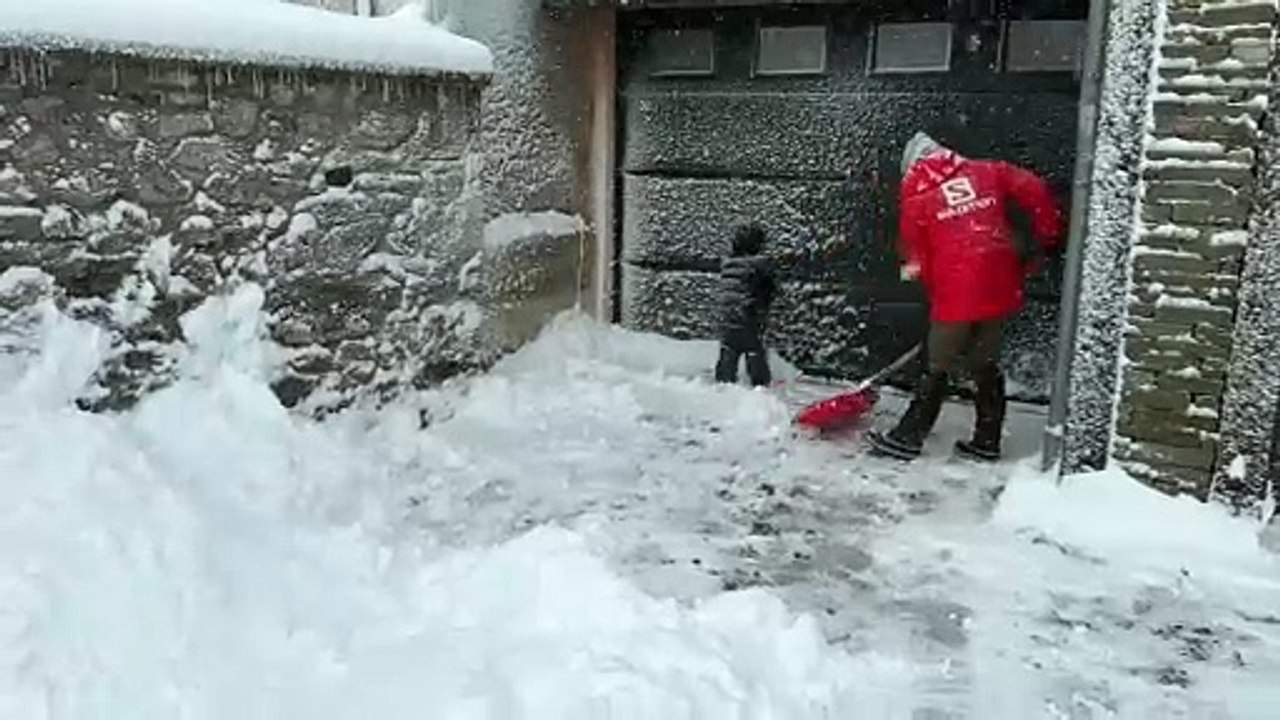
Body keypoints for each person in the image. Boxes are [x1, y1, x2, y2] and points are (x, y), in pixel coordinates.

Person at [868, 132, 1063, 462]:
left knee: (937, 365)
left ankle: (907, 438)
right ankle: (987, 441)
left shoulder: (917, 198)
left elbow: (916, 260)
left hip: (957, 288)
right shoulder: (987, 171)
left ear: (912, 167)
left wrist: (933, 292)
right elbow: (1034, 188)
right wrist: (1049, 235)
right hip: (1000, 281)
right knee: (982, 362)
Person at [714, 223, 777, 387]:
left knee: (729, 348)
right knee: (754, 350)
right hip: (749, 316)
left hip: (728, 317)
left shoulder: (727, 264)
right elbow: (769, 290)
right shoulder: (760, 265)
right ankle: (760, 387)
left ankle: (723, 384)